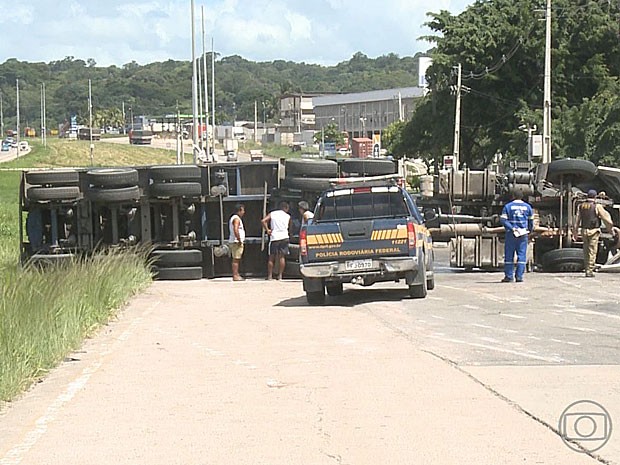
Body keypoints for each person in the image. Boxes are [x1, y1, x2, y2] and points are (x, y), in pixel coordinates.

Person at [573, 189, 615, 277]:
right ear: (595, 197)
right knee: (592, 251)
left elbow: (577, 220)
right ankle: (589, 270)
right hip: (594, 231)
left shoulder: (581, 206)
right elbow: (605, 218)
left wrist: (575, 232)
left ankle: (587, 267)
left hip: (584, 231)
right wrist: (611, 229)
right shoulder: (597, 206)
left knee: (586, 250)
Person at [500, 192, 534, 283]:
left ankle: (509, 276)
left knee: (509, 255)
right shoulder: (528, 207)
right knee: (521, 255)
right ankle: (519, 277)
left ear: (513, 196)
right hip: (523, 234)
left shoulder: (508, 206)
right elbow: (531, 221)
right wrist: (529, 230)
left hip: (511, 234)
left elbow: (503, 220)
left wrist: (512, 228)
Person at [261, 201, 291, 280]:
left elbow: (263, 221)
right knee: (282, 257)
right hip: (284, 236)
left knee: (271, 257)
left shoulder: (273, 213)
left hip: (275, 237)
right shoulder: (287, 216)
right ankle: (280, 275)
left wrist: (267, 230)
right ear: (285, 208)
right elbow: (290, 227)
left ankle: (270, 276)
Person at [228, 203, 246, 281]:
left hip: (234, 240)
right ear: (239, 211)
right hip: (236, 241)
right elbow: (236, 229)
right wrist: (238, 239)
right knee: (236, 259)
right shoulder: (236, 219)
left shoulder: (234, 218)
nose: (243, 212)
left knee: (236, 258)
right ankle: (235, 275)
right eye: (242, 210)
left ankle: (237, 274)